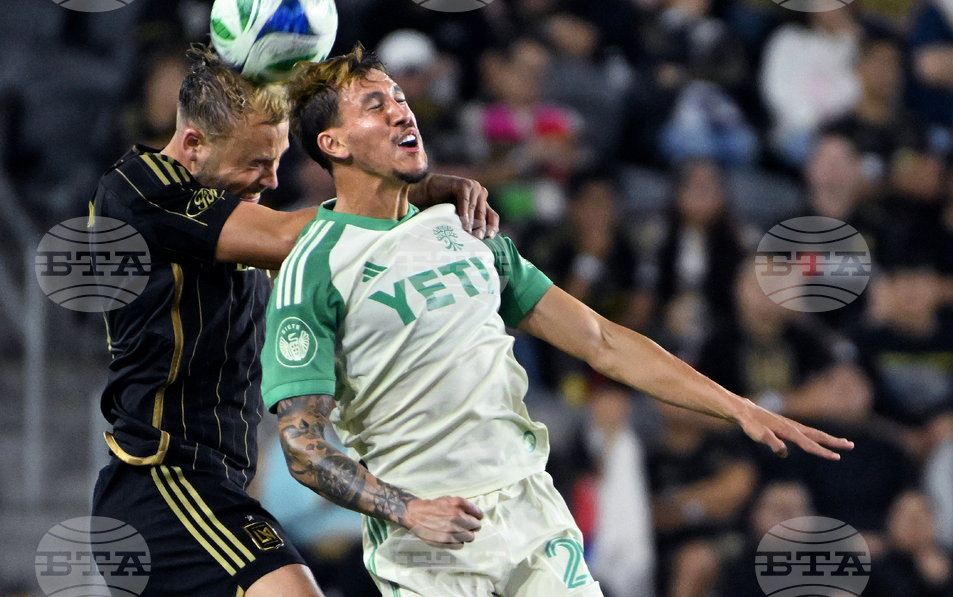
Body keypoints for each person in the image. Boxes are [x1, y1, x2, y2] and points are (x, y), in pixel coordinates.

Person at [260, 45, 854, 597]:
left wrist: (739, 406)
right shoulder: (313, 268)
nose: (400, 112)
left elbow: (602, 341)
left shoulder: (466, 231)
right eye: (375, 104)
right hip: (428, 537)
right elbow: (304, 447)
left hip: (530, 510)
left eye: (401, 98)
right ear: (334, 144)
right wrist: (407, 510)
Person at [88, 45, 497, 597]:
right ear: (193, 145)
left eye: (278, 160)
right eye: (256, 163)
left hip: (217, 482)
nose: (272, 181)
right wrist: (411, 187)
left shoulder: (225, 223)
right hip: (162, 482)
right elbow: (296, 236)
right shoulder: (137, 188)